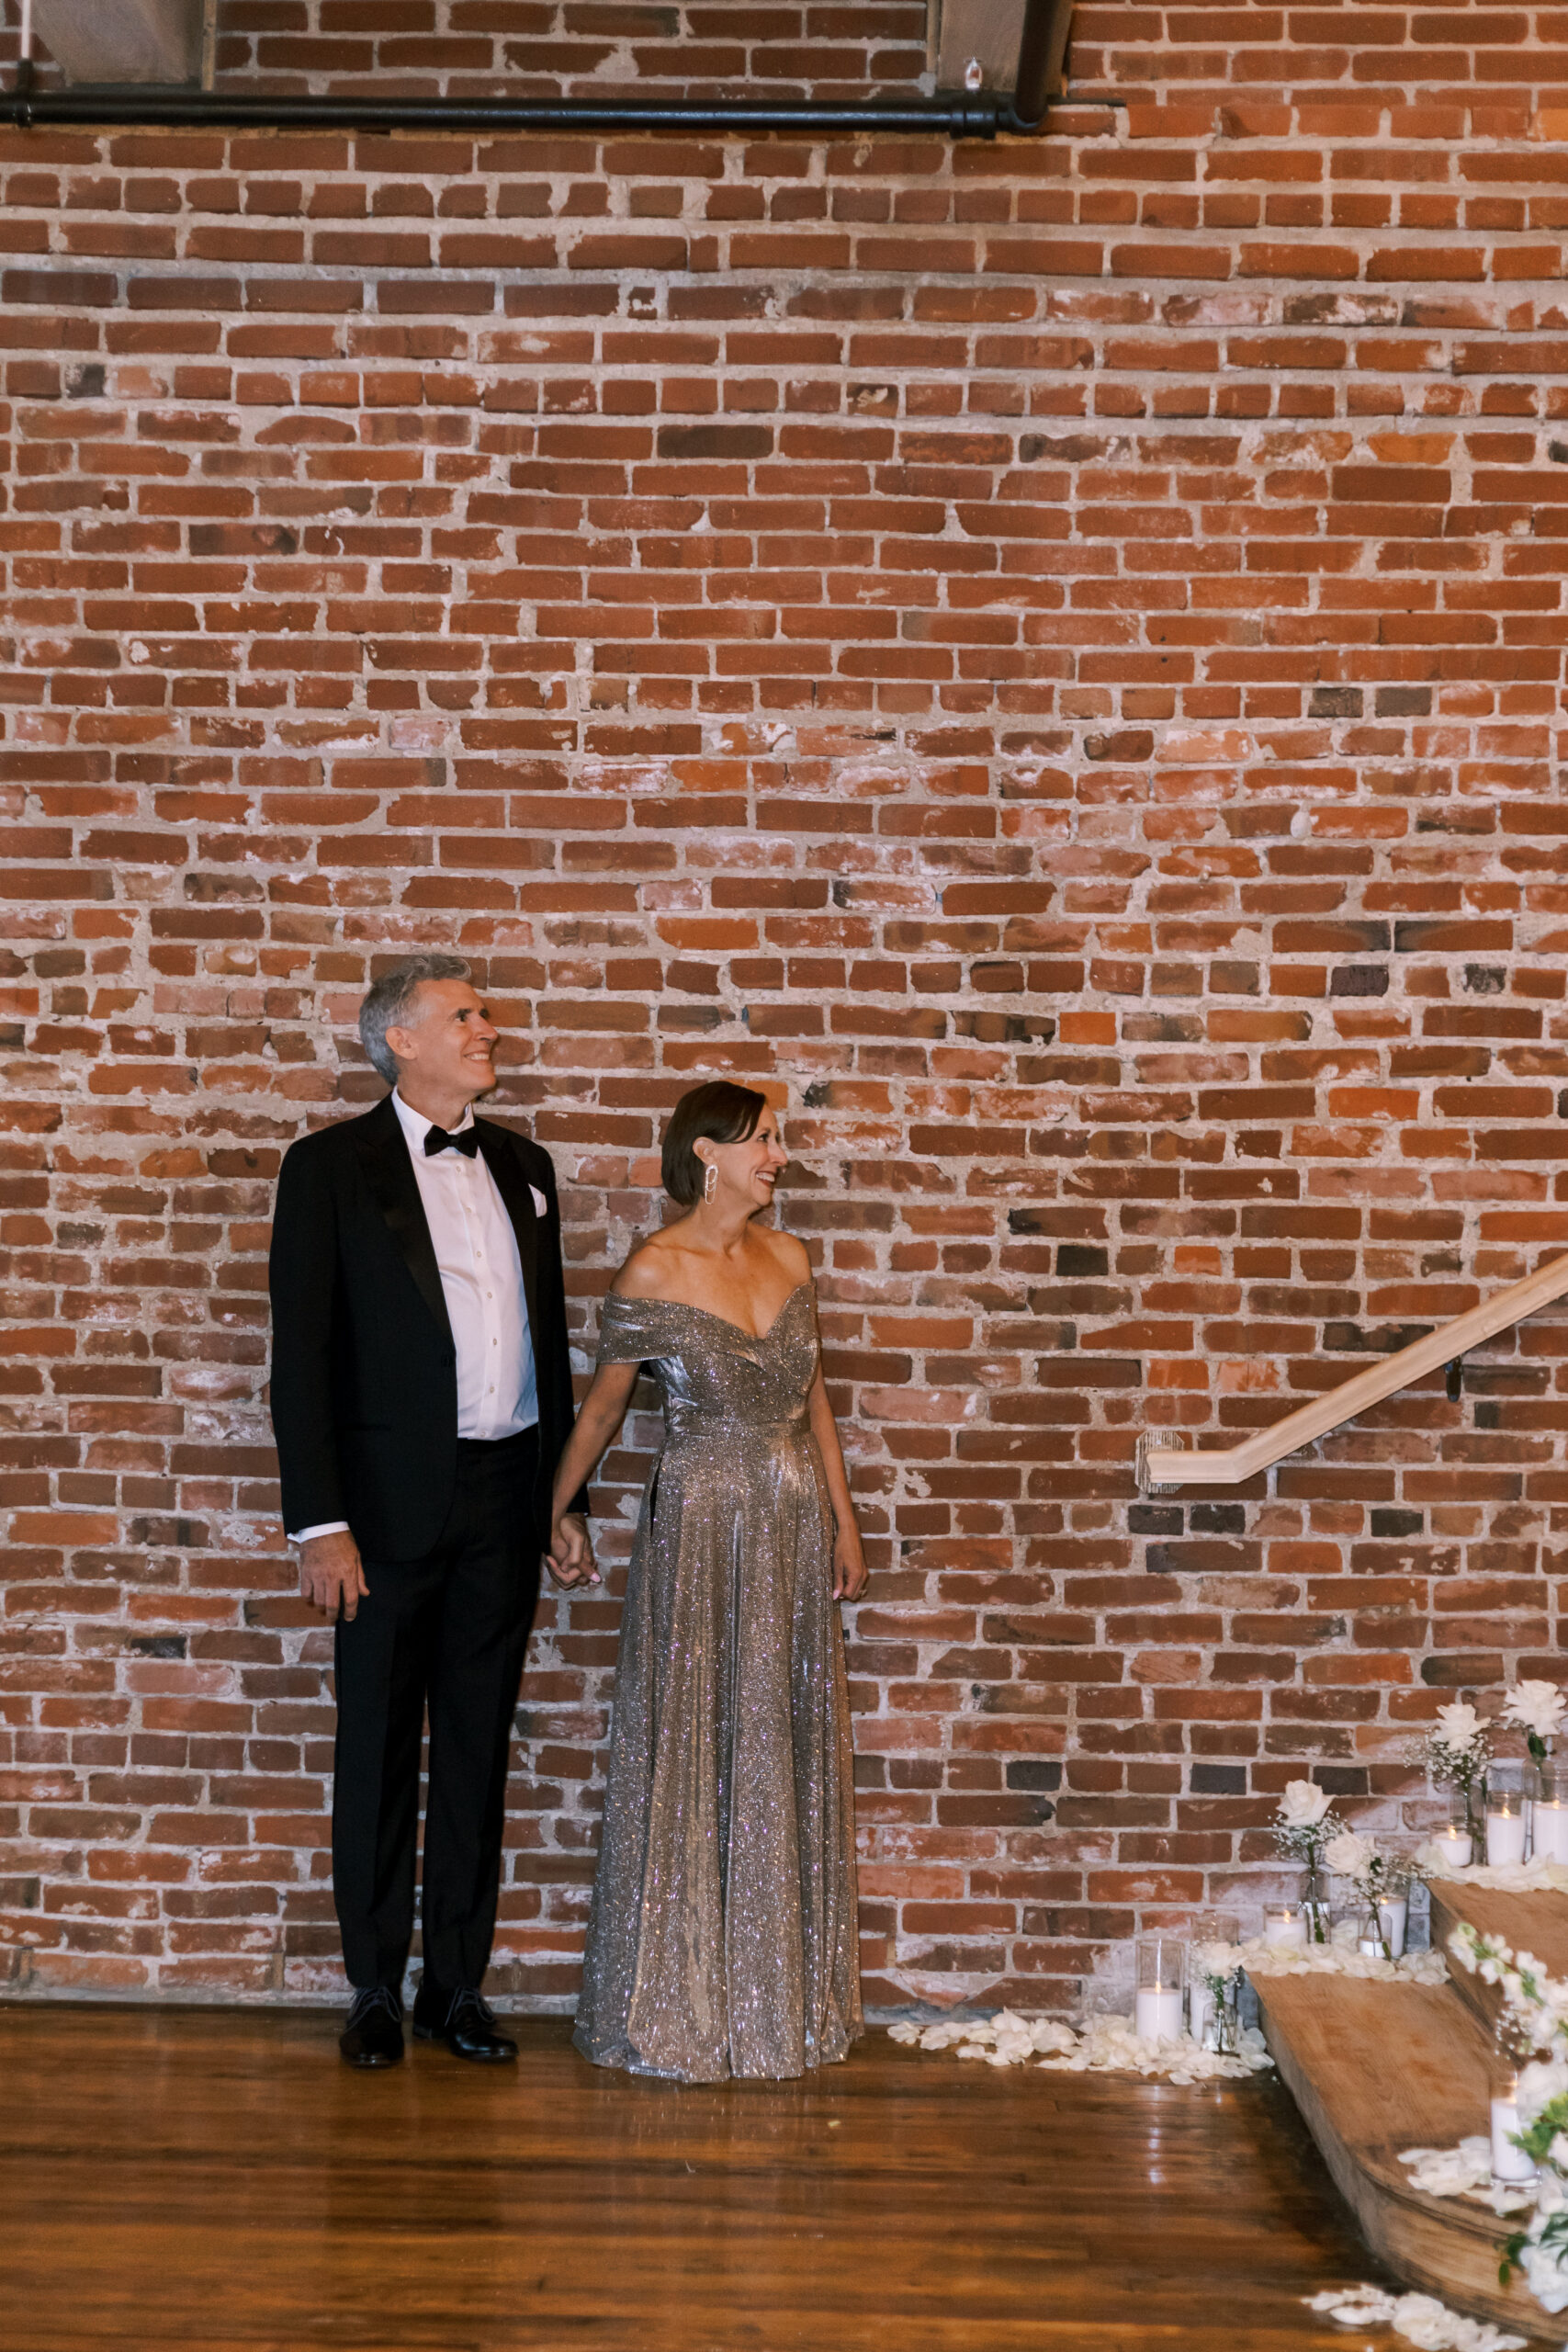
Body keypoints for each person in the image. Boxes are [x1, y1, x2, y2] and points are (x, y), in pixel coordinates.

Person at [267, 952, 591, 2068]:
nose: (488, 1027)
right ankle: (371, 1986)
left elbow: (547, 1342)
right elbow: (300, 1358)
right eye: (466, 1014)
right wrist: (320, 1523)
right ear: (399, 1038)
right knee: (374, 1749)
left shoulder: (526, 1164)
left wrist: (563, 1497)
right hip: (383, 1513)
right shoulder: (328, 1169)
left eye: (486, 1012)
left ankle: (455, 1985)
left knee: (473, 1749)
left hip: (506, 1497)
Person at [548, 1080, 867, 2083]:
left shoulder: (791, 1256)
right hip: (699, 1516)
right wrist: (555, 1508)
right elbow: (602, 1411)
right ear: (708, 1154)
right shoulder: (656, 1266)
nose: (779, 1154)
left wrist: (842, 1517)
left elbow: (814, 1400)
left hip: (786, 1514)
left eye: (778, 1138)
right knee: (694, 1728)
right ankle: (679, 1997)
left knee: (780, 1728)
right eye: (763, 1140)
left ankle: (778, 1998)